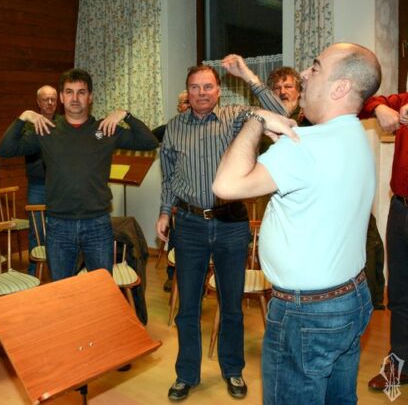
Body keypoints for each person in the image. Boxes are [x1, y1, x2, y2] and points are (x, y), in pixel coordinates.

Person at [213, 42, 381, 404]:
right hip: (351, 296)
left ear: (340, 87)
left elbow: (225, 186)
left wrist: (256, 119)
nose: (304, 73)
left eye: (315, 67)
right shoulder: (354, 134)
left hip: (307, 313)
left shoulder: (303, 145)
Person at [156, 62, 287, 402]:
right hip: (189, 225)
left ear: (218, 91)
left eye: (208, 86)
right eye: (195, 87)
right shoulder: (174, 127)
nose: (201, 93)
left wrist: (249, 76)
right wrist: (164, 212)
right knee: (188, 307)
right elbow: (169, 176)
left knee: (231, 305)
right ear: (187, 91)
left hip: (231, 223)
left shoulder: (237, 116)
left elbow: (280, 111)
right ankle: (186, 374)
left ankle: (233, 370)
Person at [0, 68, 157, 281]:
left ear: (90, 97)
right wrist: (23, 117)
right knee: (63, 290)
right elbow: (6, 149)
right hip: (59, 225)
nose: (75, 98)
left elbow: (149, 142)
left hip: (97, 224)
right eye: (69, 92)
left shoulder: (104, 129)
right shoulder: (47, 130)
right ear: (62, 97)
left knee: (101, 288)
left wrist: (125, 115)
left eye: (81, 92)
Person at [358, 93, 408, 390]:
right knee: (399, 295)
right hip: (401, 208)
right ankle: (400, 366)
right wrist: (380, 108)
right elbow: (363, 103)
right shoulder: (404, 100)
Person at [154, 90, 190, 293]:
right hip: (176, 193)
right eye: (185, 102)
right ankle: (172, 275)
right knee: (176, 236)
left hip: (201, 196)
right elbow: (148, 138)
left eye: (190, 102)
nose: (189, 105)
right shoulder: (171, 128)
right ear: (179, 107)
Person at [25, 85, 57, 276]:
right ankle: (33, 272)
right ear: (38, 102)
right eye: (46, 99)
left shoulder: (63, 123)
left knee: (59, 228)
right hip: (37, 184)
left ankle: (58, 270)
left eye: (53, 99)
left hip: (59, 185)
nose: (50, 103)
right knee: (36, 229)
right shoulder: (29, 126)